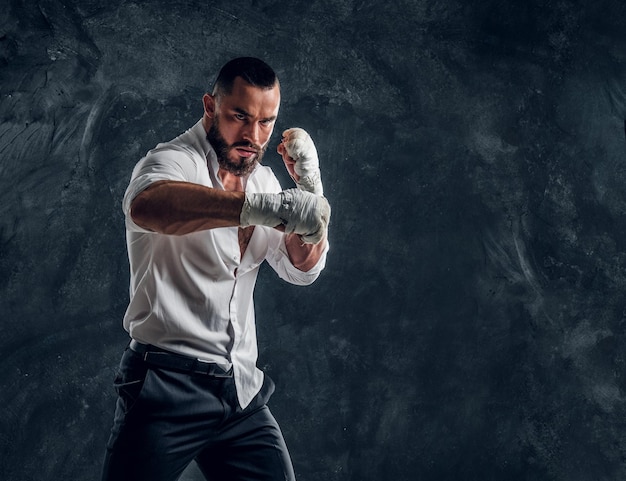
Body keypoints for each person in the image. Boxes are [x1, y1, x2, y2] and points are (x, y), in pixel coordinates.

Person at [101, 57, 330, 481]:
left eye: (266, 122)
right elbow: (149, 205)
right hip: (166, 384)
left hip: (241, 390)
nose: (253, 136)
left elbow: (302, 266)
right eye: (240, 116)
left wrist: (309, 194)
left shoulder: (263, 183)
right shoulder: (171, 161)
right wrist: (260, 209)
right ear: (210, 106)